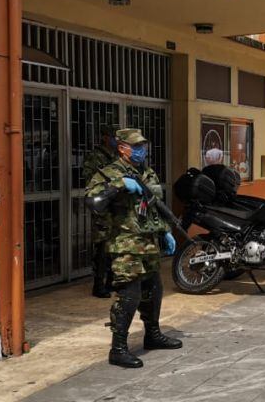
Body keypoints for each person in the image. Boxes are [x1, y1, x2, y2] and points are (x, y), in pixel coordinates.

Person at [85, 128, 181, 368]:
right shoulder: (108, 173)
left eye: (143, 147)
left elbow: (154, 205)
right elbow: (92, 201)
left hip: (148, 241)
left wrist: (166, 231)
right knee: (130, 294)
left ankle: (153, 334)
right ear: (122, 148)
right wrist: (119, 185)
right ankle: (118, 348)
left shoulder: (147, 172)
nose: (141, 151)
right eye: (136, 147)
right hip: (124, 242)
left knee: (154, 289)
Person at [82, 124, 118, 298]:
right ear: (104, 137)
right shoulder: (95, 157)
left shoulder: (117, 157)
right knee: (102, 247)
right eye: (112, 136)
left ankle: (112, 281)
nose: (115, 140)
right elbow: (89, 179)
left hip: (116, 207)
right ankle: (98, 284)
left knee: (115, 246)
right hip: (103, 208)